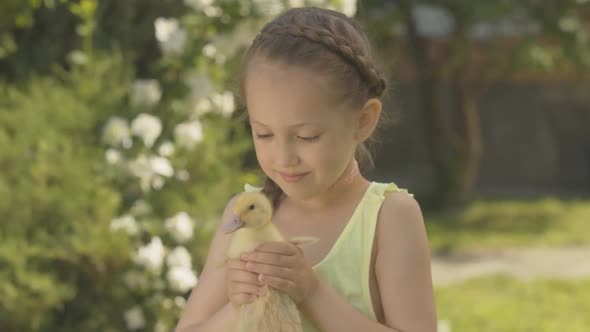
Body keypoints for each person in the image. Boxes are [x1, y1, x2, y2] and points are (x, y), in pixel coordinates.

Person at [176, 6, 437, 332]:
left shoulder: (391, 218)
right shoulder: (243, 215)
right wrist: (238, 307)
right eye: (264, 134)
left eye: (306, 136)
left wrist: (312, 292)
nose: (284, 157)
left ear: (363, 120)